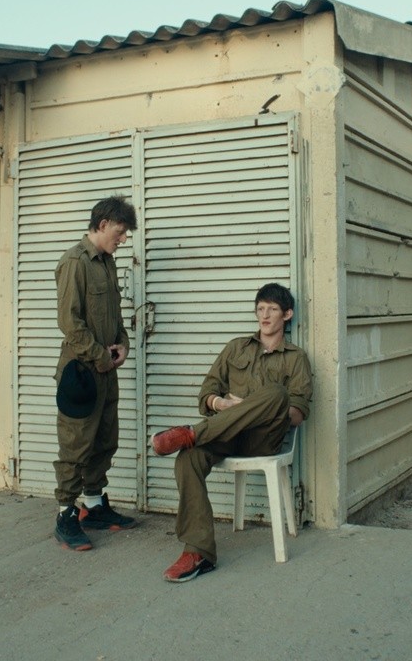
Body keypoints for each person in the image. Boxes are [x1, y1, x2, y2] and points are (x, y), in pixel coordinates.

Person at [150, 282, 312, 582]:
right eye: (260, 309)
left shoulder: (296, 358)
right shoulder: (236, 347)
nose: (264, 316)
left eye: (272, 310)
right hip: (225, 434)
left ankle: (191, 433)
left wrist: (253, 406)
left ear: (287, 315)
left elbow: (298, 414)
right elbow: (206, 393)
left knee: (276, 394)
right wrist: (222, 403)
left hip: (262, 440)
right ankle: (198, 552)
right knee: (188, 459)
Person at [52, 195, 140, 551]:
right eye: (119, 232)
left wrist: (122, 344)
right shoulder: (74, 262)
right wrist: (99, 355)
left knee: (105, 439)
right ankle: (65, 515)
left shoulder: (105, 262)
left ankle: (93, 505)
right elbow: (69, 323)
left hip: (105, 367)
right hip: (81, 372)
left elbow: (115, 317)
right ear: (102, 225)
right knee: (76, 445)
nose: (122, 239)